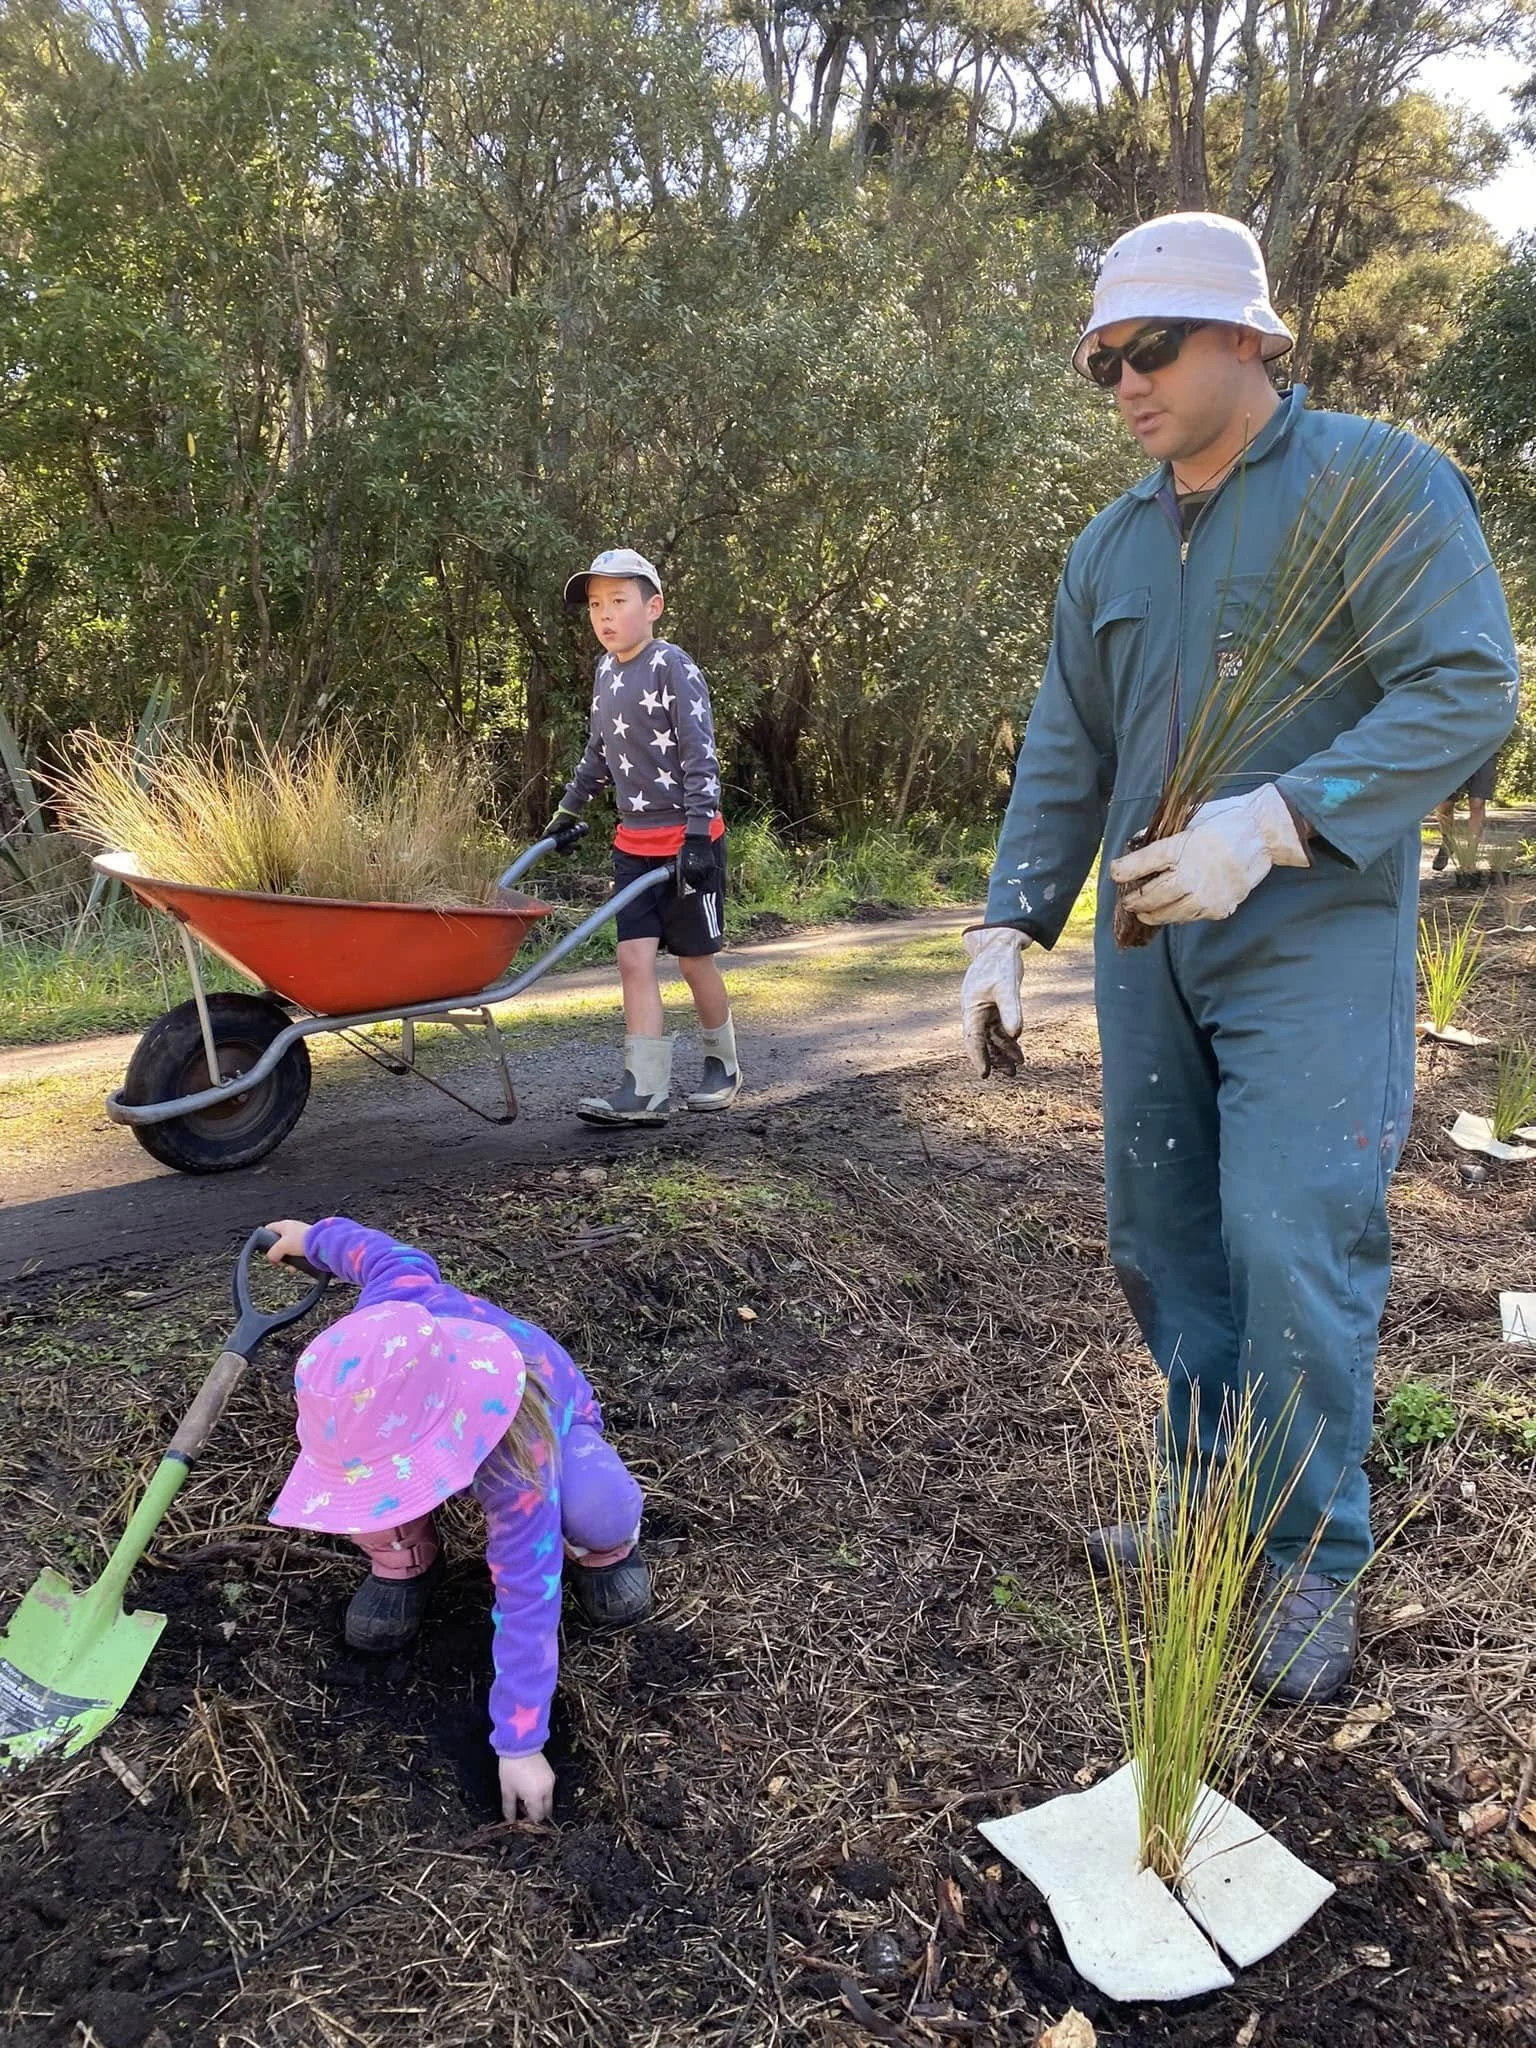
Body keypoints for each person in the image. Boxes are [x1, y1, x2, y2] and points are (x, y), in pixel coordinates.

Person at [960, 213, 1519, 1705]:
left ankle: (1312, 1559)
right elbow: (1068, 745)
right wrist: (1010, 919)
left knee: (1290, 1233)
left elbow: (1469, 686)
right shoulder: (1114, 545)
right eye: (1102, 363)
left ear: (1245, 339)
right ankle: (1205, 1511)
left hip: (1311, 933)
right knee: (1164, 1241)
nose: (1123, 381)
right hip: (1151, 949)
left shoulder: (1376, 483)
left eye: (1149, 349)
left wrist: (1277, 819)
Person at [262, 1214, 652, 1822]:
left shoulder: (517, 1458)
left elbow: (528, 1594)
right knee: (363, 1507)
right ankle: (404, 1558)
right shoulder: (395, 1299)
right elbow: (383, 1252)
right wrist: (313, 1239)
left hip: (556, 1425)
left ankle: (606, 1550)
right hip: (443, 1420)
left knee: (595, 1506)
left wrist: (520, 1744)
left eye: (402, 1472)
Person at [544, 546, 741, 1124]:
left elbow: (699, 753)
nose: (605, 616)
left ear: (653, 606)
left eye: (619, 602)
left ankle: (722, 1064)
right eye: (596, 606)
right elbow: (598, 753)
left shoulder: (671, 665)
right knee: (633, 959)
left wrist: (701, 834)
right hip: (633, 844)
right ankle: (645, 1086)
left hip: (686, 841)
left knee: (694, 960)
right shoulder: (606, 672)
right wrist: (568, 807)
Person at [1431, 749, 1501, 877]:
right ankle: (1447, 841)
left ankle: (1469, 859)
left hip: (1486, 748)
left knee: (1477, 803)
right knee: (1445, 802)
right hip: (1454, 749)